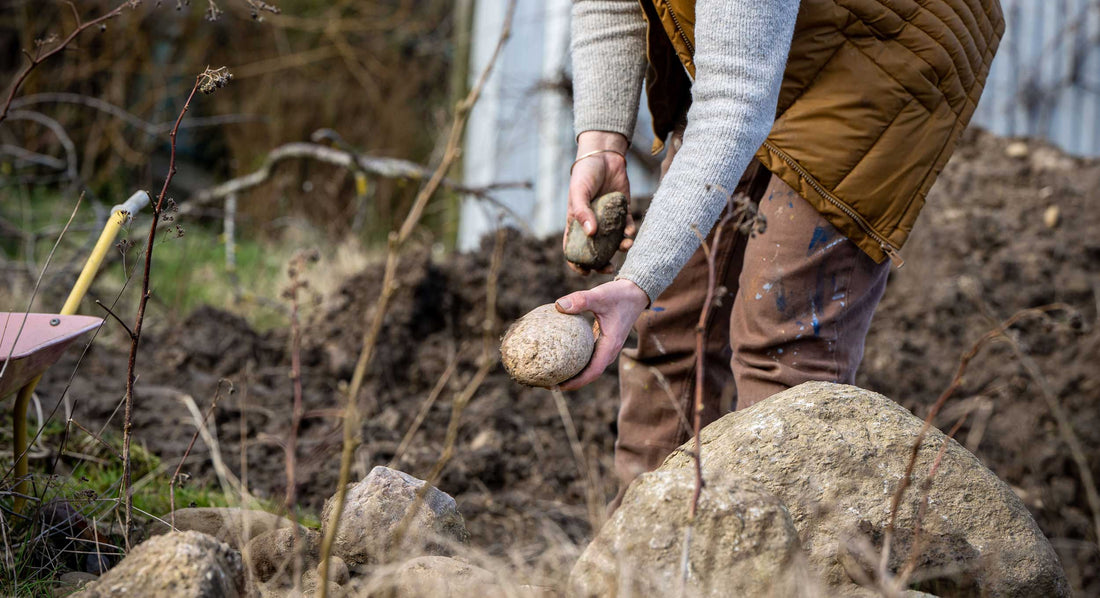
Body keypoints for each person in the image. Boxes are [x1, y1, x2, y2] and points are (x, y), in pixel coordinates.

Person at [554, 0, 1005, 504]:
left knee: (782, 349)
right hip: (773, 33)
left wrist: (635, 282)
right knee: (668, 324)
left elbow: (734, 100)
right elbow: (610, 3)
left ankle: (775, 561)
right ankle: (642, 557)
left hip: (885, 49)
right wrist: (601, 145)